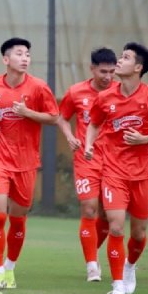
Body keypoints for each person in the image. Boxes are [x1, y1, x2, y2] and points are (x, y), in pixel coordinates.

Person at [84, 42, 148, 294]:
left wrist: (145, 139)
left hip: (144, 173)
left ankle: (130, 266)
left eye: (125, 58)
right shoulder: (105, 97)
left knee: (138, 233)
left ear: (138, 67)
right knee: (115, 226)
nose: (118, 62)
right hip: (113, 171)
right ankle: (117, 286)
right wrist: (90, 144)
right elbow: (93, 123)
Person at [0, 38, 59, 290]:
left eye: (27, 53)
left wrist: (28, 113)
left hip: (26, 162)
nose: (25, 58)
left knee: (17, 219)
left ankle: (10, 268)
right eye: (19, 54)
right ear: (6, 60)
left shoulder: (38, 87)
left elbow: (54, 117)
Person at [57, 47, 117, 282]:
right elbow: (62, 118)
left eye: (112, 72)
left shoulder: (121, 92)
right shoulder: (76, 92)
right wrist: (70, 137)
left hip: (115, 162)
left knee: (108, 214)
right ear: (92, 69)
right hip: (87, 158)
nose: (108, 77)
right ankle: (92, 265)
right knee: (89, 209)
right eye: (103, 71)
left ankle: (93, 250)